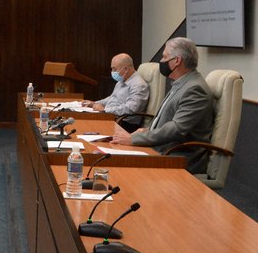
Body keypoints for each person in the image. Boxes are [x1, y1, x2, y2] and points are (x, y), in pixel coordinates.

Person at [111, 37, 214, 174]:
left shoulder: (194, 89)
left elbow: (176, 128)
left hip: (177, 157)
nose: (161, 61)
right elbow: (166, 118)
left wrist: (134, 139)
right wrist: (146, 130)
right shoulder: (182, 82)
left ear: (177, 61)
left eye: (164, 57)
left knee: (119, 167)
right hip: (163, 148)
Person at [82, 53, 149, 132]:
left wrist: (105, 109)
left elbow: (130, 108)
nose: (112, 72)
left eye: (114, 69)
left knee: (88, 126)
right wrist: (94, 103)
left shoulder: (139, 85)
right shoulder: (122, 80)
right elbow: (112, 98)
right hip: (111, 117)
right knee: (83, 120)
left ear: (125, 69)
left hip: (124, 123)